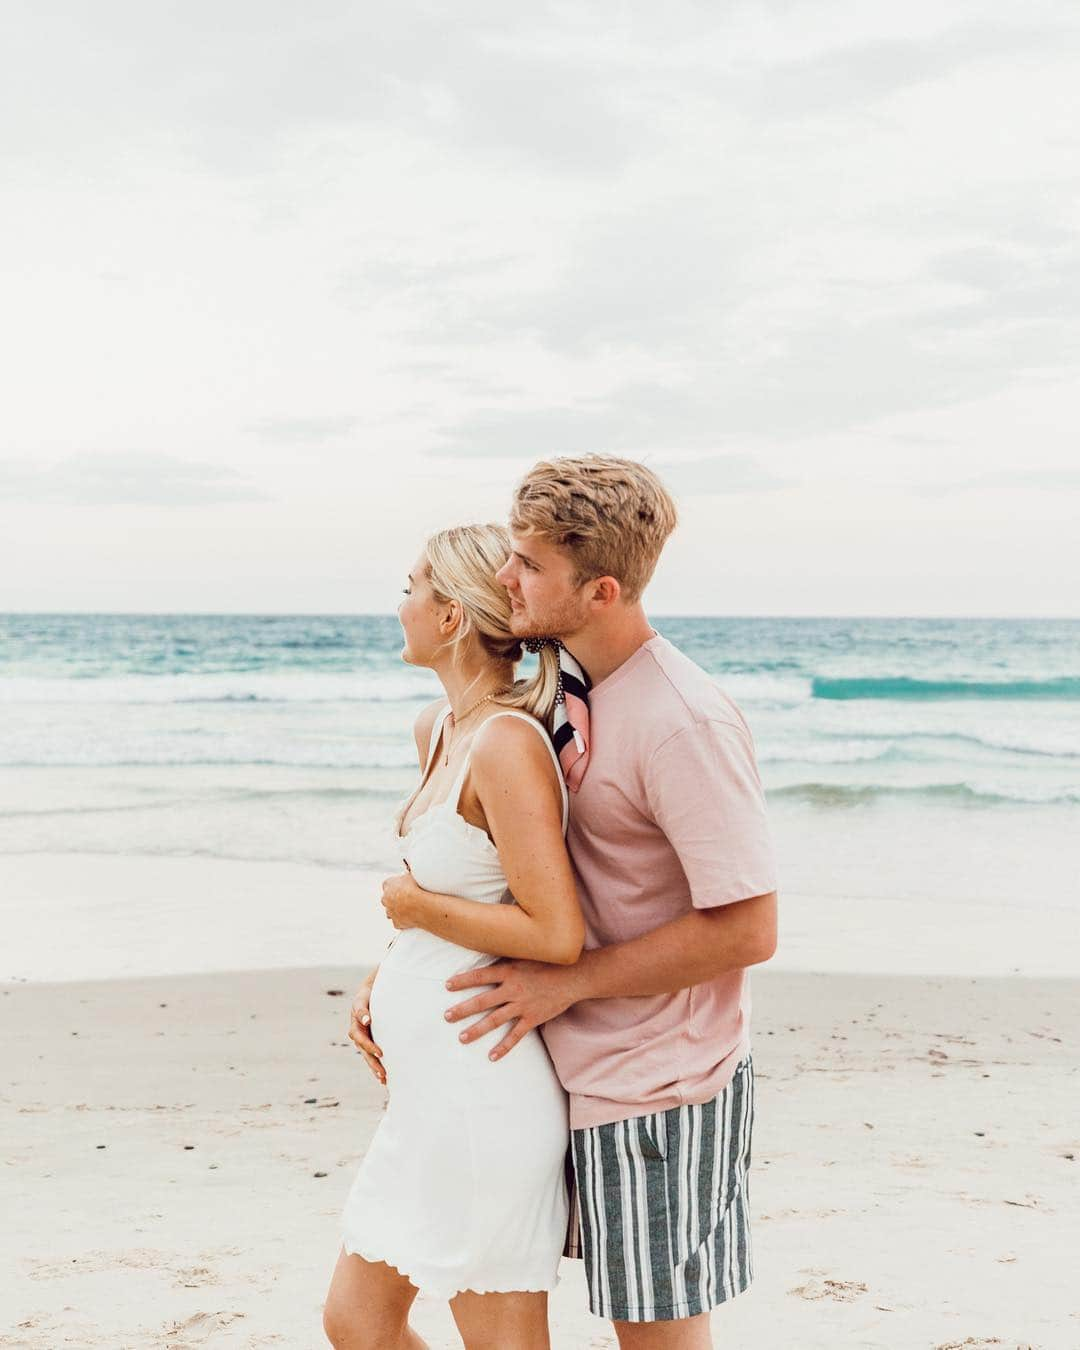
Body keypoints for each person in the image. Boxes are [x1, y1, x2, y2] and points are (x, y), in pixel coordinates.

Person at [438, 456, 779, 1349]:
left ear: (600, 589)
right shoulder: (563, 688)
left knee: (654, 1338)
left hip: (659, 1086)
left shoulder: (683, 721)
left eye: (528, 565)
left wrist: (569, 984)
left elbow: (748, 928)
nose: (505, 578)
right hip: (568, 1071)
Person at [323, 524, 585, 1350]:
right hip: (427, 1094)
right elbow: (456, 885)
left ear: (451, 618)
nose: (398, 605)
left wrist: (414, 911)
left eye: (411, 587)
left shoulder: (507, 744)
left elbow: (555, 932)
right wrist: (387, 971)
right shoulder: (438, 730)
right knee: (358, 1324)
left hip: (482, 1093)